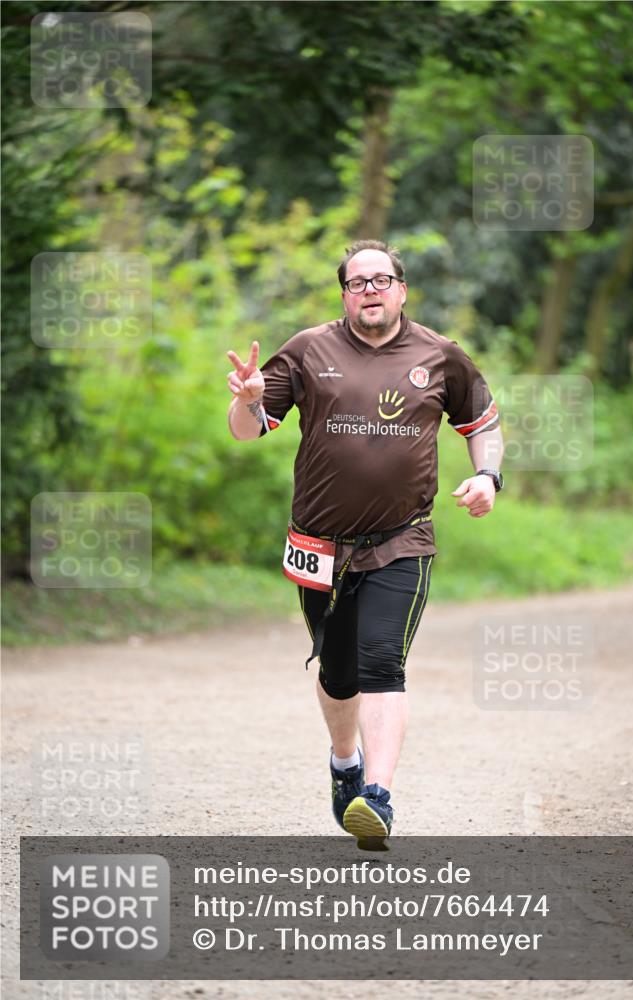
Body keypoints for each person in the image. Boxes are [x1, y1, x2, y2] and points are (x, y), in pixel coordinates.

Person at [227, 240, 503, 844]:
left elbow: (483, 423)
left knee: (383, 661)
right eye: (358, 282)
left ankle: (377, 796)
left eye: (382, 279)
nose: (370, 290)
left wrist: (487, 475)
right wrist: (247, 403)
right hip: (320, 545)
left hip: (403, 538)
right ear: (345, 294)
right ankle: (344, 763)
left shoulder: (440, 355)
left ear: (402, 289)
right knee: (338, 669)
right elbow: (248, 431)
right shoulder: (307, 350)